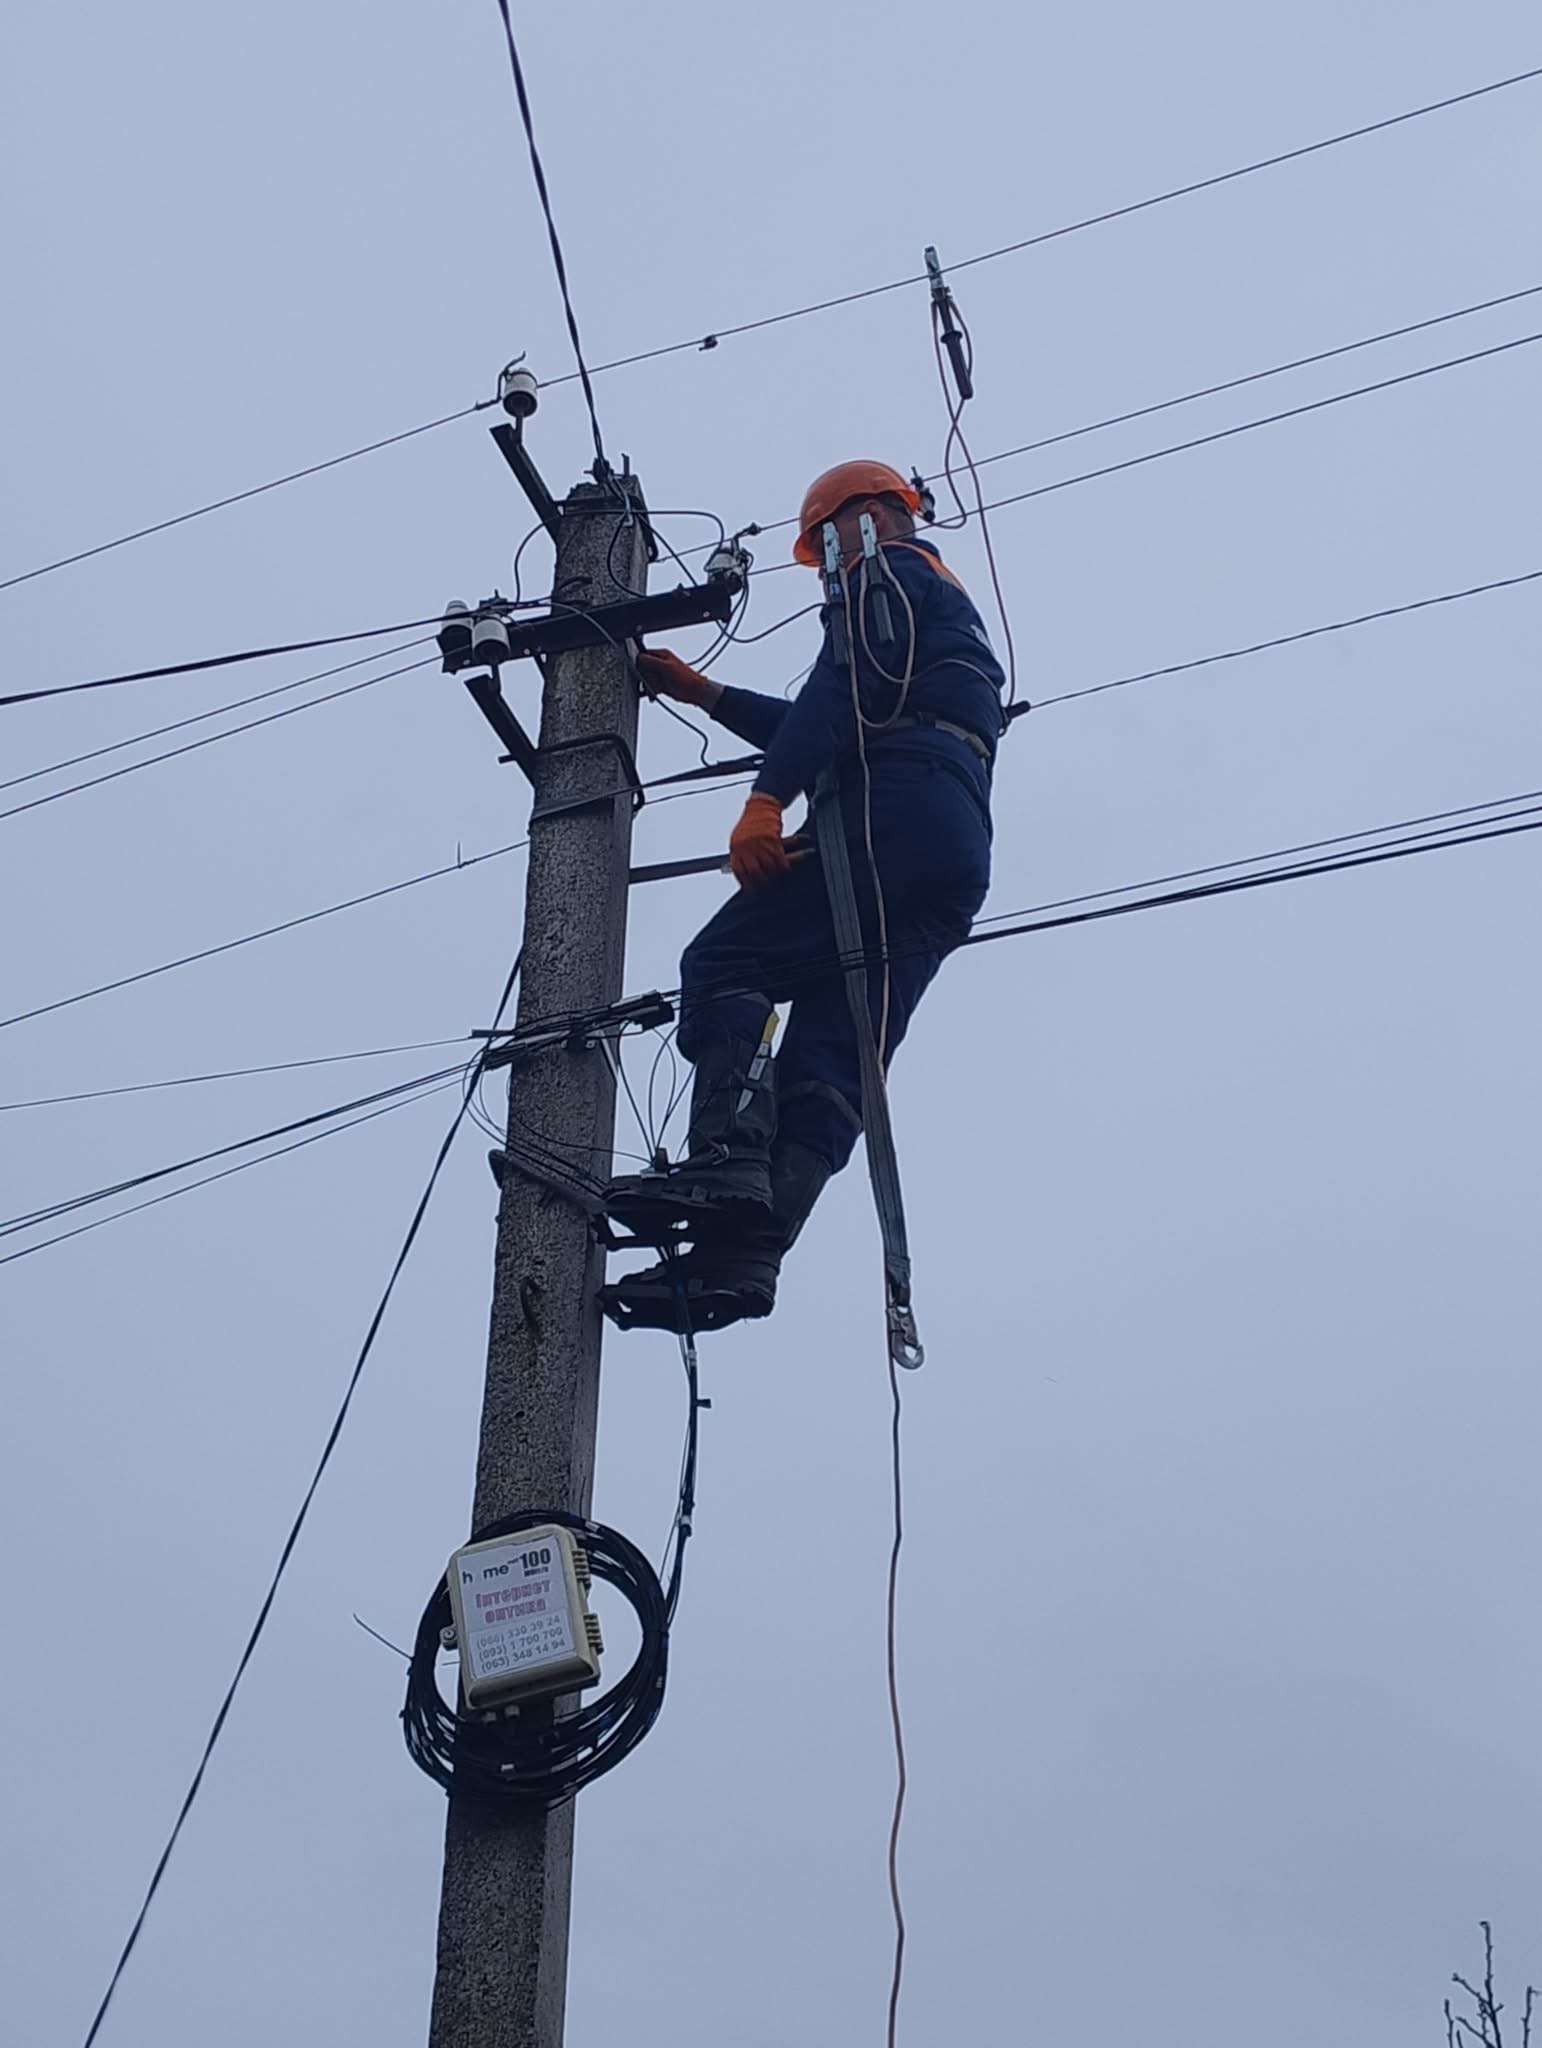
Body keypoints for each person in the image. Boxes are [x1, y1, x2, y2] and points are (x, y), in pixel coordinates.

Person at [601, 459, 1004, 1334]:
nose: (827, 562)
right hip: (947, 846)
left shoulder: (884, 573)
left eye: (826, 544)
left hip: (891, 810)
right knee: (833, 1048)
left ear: (866, 521)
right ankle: (746, 1255)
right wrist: (704, 693)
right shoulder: (937, 608)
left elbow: (839, 688)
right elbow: (834, 715)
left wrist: (765, 801)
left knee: (726, 961)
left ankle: (729, 1159)